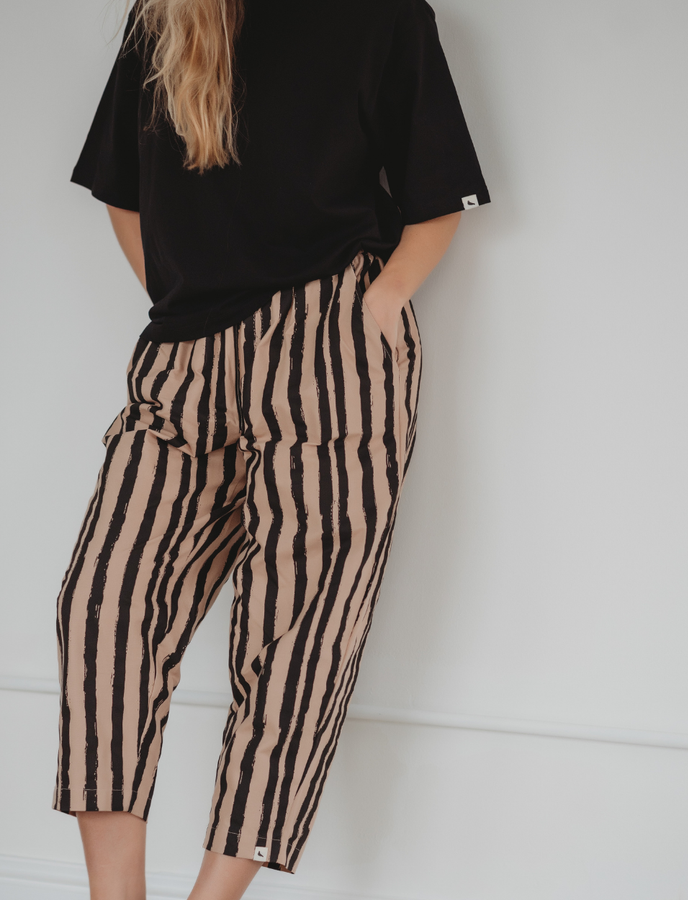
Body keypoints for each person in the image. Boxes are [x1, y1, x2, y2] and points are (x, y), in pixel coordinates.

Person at [52, 0, 490, 897]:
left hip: (331, 349)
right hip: (186, 356)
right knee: (105, 602)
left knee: (298, 640)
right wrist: (184, 304)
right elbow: (123, 192)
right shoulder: (165, 14)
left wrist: (379, 305)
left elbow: (437, 196)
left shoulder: (384, 14)